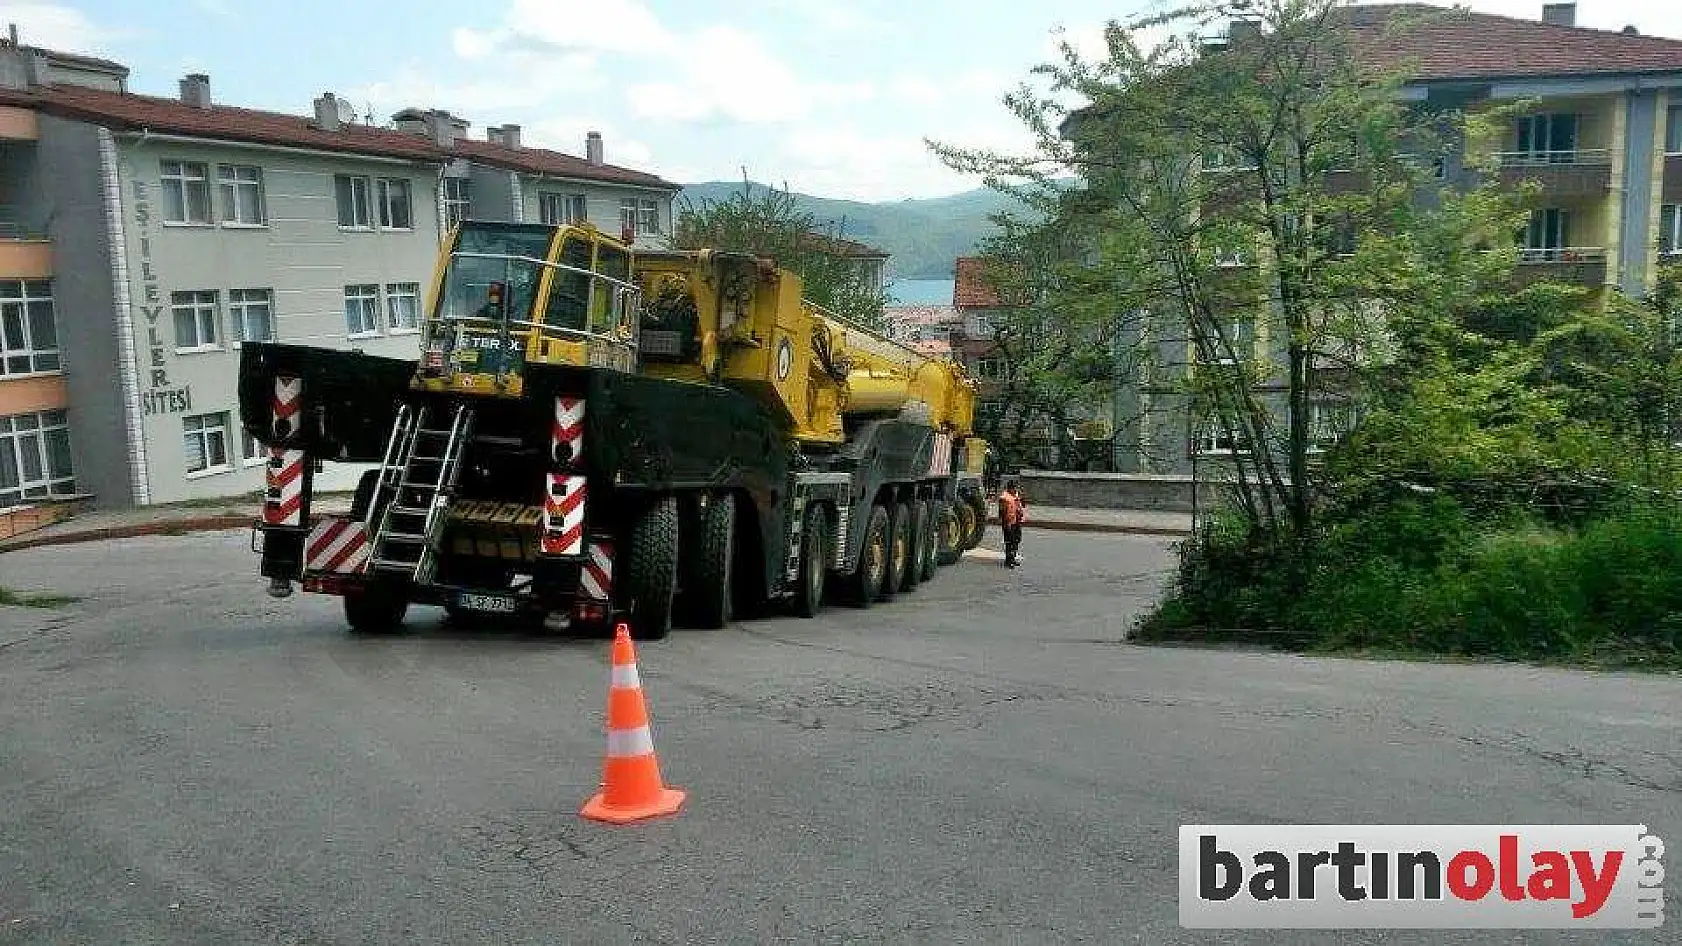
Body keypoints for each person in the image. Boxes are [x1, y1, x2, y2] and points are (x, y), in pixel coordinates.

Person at [997, 479, 1026, 567]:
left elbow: (1022, 506)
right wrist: (1005, 523)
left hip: (1016, 521)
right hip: (1008, 522)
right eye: (1014, 488)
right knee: (1009, 542)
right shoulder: (1004, 497)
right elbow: (1002, 511)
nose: (1016, 490)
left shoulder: (1016, 495)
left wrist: (1021, 500)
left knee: (1016, 540)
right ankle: (1008, 561)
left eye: (1016, 488)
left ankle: (1012, 558)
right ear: (1010, 488)